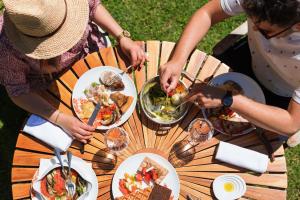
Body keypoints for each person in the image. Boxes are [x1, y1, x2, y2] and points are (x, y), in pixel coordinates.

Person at [0, 0, 147, 143]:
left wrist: (122, 37)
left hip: (89, 53)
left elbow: (93, 6)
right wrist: (60, 119)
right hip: (48, 86)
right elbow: (18, 91)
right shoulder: (6, 47)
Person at [159, 0, 300, 137]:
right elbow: (208, 13)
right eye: (251, 19)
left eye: (265, 31)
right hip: (249, 57)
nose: (254, 29)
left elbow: (291, 124)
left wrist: (227, 98)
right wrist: (177, 60)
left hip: (281, 97)